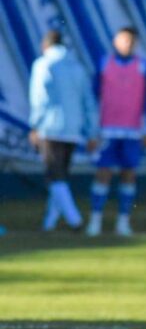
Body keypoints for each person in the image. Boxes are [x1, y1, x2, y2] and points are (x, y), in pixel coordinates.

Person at [86, 26, 146, 237]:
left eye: (131, 41)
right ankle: (95, 221)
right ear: (115, 41)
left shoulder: (144, 66)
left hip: (132, 131)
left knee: (128, 174)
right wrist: (91, 131)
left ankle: (123, 222)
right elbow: (92, 98)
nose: (127, 44)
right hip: (107, 130)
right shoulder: (104, 64)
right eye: (124, 40)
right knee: (103, 173)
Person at [28, 30, 99, 231]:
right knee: (60, 176)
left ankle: (74, 220)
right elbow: (88, 102)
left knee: (54, 176)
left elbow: (40, 98)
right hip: (73, 129)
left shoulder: (43, 65)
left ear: (45, 45)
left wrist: (35, 124)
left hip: (50, 128)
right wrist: (91, 131)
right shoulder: (77, 67)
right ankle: (49, 223)